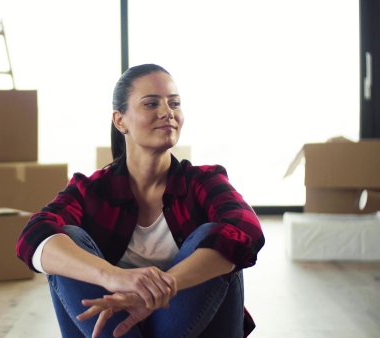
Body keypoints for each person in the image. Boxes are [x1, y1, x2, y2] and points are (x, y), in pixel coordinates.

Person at [16, 63, 265, 338]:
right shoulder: (91, 190)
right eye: (151, 103)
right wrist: (113, 277)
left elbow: (246, 230)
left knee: (217, 236)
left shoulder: (203, 181)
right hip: (117, 329)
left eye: (175, 103)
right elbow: (33, 235)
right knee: (64, 239)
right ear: (120, 120)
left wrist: (161, 287)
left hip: (194, 327)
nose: (167, 112)